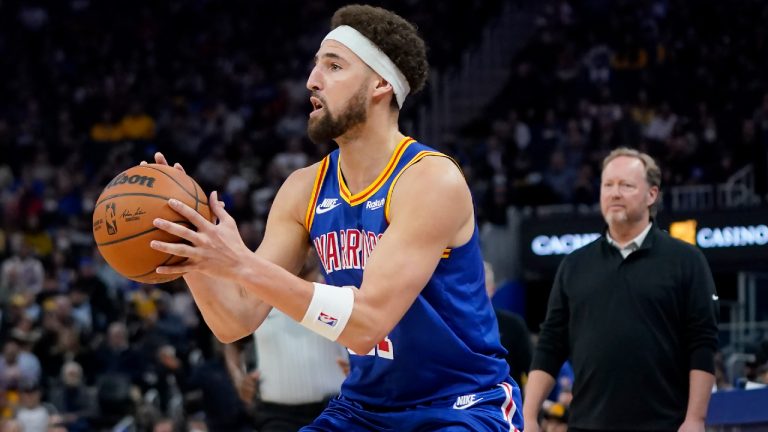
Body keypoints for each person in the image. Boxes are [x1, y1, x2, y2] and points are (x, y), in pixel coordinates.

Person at [145, 4, 523, 431]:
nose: (312, 80)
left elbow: (365, 325)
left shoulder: (430, 180)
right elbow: (236, 320)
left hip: (458, 403)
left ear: (381, 83)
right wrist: (191, 250)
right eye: (315, 66)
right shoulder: (303, 188)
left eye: (334, 66)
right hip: (363, 408)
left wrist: (242, 263)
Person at [522, 148, 719, 432]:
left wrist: (695, 419)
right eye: (608, 185)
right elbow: (551, 344)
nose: (615, 193)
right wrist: (529, 417)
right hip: (585, 425)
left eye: (626, 185)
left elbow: (702, 343)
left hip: (665, 425)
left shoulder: (686, 261)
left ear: (652, 194)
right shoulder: (574, 264)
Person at [223, 252, 347, 431]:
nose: (300, 248)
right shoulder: (258, 294)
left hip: (334, 409)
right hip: (276, 415)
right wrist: (238, 377)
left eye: (305, 241)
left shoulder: (339, 288)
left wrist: (362, 370)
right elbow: (230, 341)